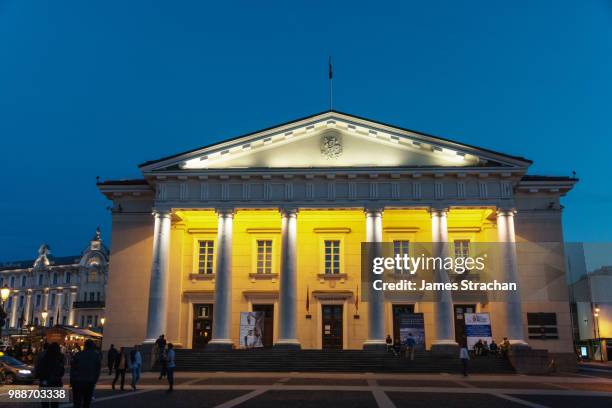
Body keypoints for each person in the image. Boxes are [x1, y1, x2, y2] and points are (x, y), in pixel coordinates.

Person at [70, 339, 101, 408]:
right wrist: (95, 380)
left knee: (77, 402)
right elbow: (97, 369)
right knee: (87, 402)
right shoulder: (96, 355)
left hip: (77, 381)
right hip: (89, 381)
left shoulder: (78, 354)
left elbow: (72, 368)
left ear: (85, 346)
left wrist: (71, 380)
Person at [35, 342, 64, 408]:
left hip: (45, 381)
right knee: (55, 403)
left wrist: (38, 376)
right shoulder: (60, 357)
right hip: (55, 382)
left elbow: (38, 368)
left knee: (45, 402)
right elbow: (62, 371)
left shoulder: (43, 356)